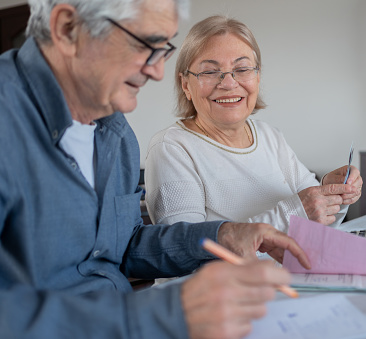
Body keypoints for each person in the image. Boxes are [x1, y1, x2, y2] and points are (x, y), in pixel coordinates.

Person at [0, 1, 311, 338]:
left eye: (161, 48)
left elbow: (126, 246)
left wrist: (223, 234)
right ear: (67, 29)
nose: (157, 72)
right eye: (142, 44)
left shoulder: (114, 132)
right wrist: (161, 313)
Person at [144, 15, 363, 233]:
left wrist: (335, 193)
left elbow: (318, 225)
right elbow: (186, 253)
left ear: (257, 77)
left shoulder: (270, 136)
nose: (229, 84)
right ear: (185, 85)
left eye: (242, 69)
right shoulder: (171, 148)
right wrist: (296, 212)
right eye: (210, 72)